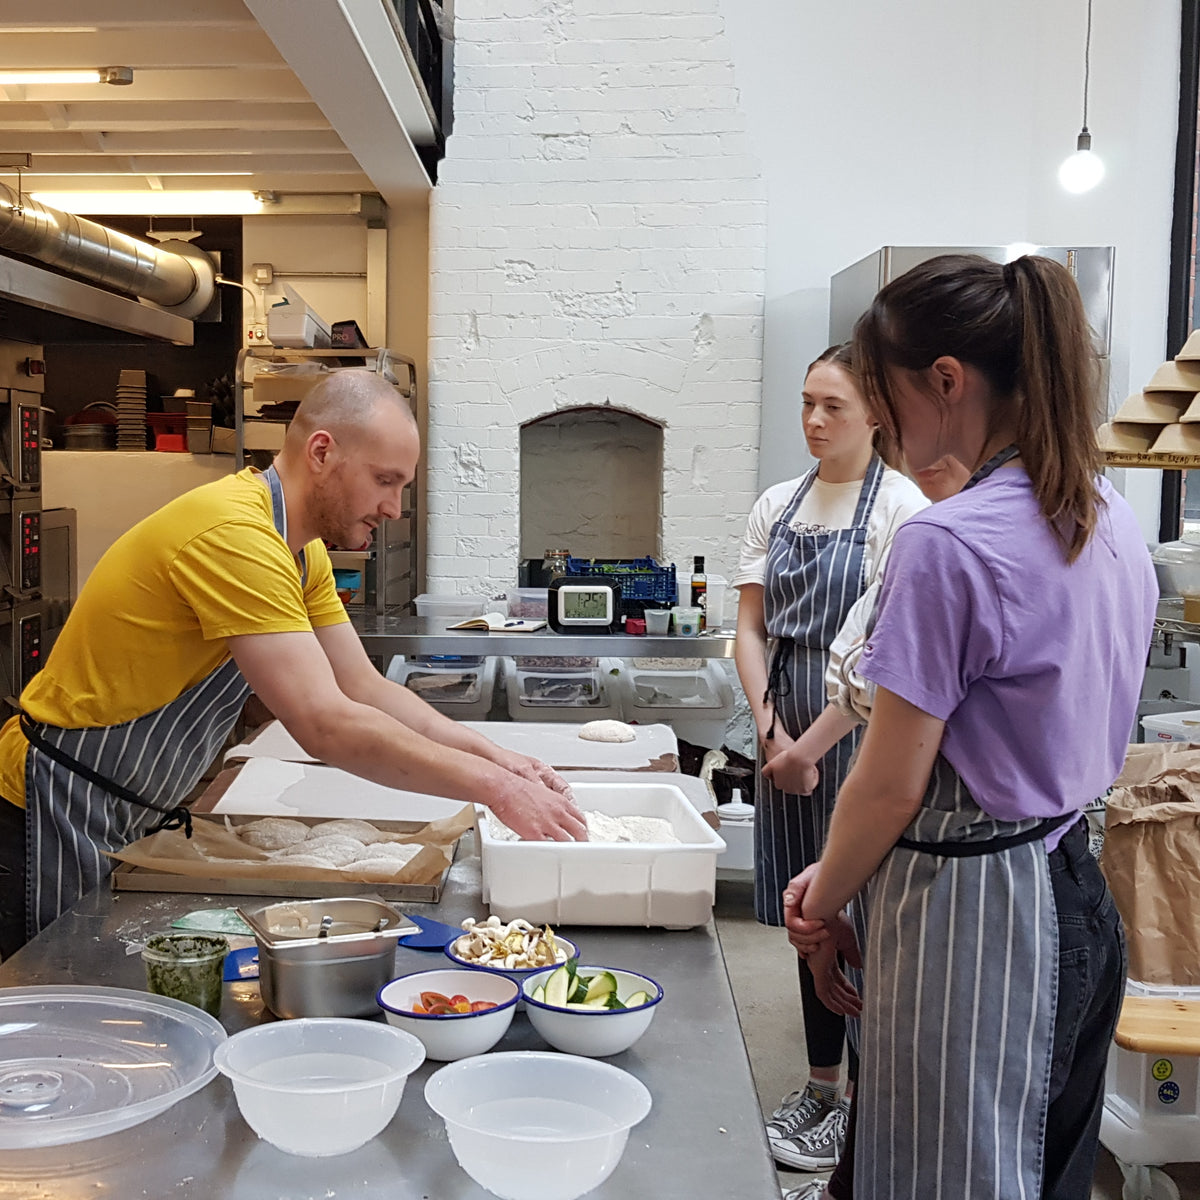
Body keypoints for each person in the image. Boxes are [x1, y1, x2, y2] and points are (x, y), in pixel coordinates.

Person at [783, 254, 1157, 1200]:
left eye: (883, 400)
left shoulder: (948, 542)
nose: (887, 430)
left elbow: (889, 781)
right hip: (1075, 889)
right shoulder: (1105, 513)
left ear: (946, 382)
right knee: (1043, 1172)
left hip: (978, 921)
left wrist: (822, 899)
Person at [0, 369, 586, 958]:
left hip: (120, 805)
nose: (394, 507)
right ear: (323, 452)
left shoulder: (300, 553)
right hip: (45, 809)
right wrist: (493, 791)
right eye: (385, 481)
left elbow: (362, 689)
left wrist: (497, 759)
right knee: (50, 991)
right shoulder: (234, 535)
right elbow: (326, 723)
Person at [732, 344, 927, 1173]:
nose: (813, 420)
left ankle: (860, 1104)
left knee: (861, 920)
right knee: (804, 920)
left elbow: (884, 654)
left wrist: (810, 750)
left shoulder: (904, 509)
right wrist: (772, 733)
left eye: (833, 407)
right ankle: (820, 1087)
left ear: (877, 413)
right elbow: (749, 627)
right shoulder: (778, 504)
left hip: (863, 732)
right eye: (806, 403)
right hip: (785, 728)